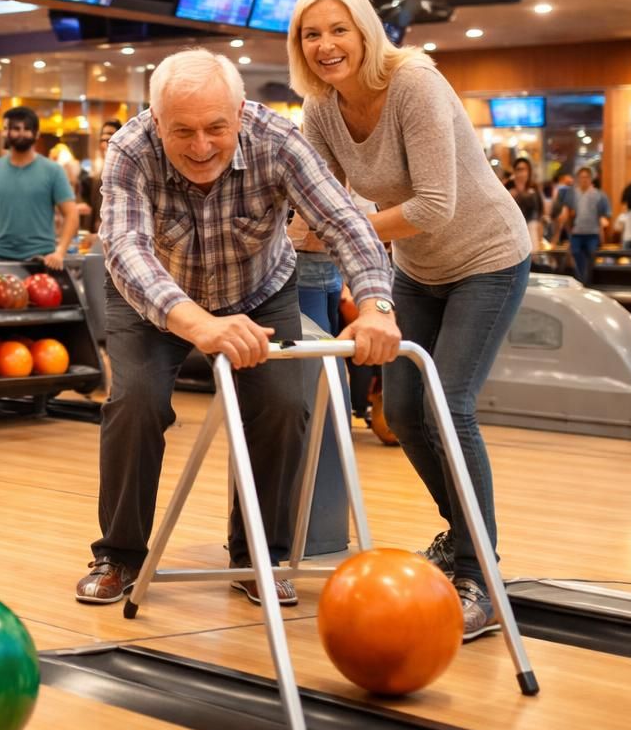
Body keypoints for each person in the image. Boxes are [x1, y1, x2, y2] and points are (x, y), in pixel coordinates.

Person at [77, 49, 397, 609]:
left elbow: (344, 221)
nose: (201, 146)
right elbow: (126, 248)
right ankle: (120, 555)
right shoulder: (131, 147)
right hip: (151, 296)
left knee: (283, 403)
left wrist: (374, 304)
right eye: (183, 131)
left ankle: (256, 557)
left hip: (259, 290)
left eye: (215, 128)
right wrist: (196, 323)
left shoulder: (279, 141)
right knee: (136, 401)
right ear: (156, 121)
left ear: (240, 111)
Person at [290, 0, 531, 639]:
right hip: (415, 270)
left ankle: (480, 574)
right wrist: (290, 238)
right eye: (312, 34)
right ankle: (461, 537)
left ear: (365, 31)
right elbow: (314, 204)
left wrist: (340, 226)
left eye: (339, 29)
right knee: (399, 406)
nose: (326, 45)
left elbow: (434, 207)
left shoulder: (416, 84)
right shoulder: (321, 112)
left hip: (487, 258)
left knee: (447, 406)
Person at [0, 106, 78, 269]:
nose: (21, 133)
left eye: (27, 129)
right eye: (15, 128)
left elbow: (71, 213)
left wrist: (60, 251)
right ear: (6, 132)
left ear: (37, 134)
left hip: (43, 260)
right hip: (0, 259)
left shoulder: (53, 170)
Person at [561, 167, 610, 282]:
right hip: (576, 232)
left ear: (591, 178)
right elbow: (567, 212)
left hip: (592, 232)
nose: (584, 179)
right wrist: (568, 229)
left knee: (591, 257)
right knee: (577, 255)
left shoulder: (599, 195)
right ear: (578, 178)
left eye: (587, 177)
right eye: (582, 177)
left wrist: (602, 231)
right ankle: (581, 280)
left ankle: (589, 281)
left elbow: (605, 214)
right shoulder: (572, 194)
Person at [507, 157, 545, 255]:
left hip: (531, 227)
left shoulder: (534, 187)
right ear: (514, 171)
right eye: (519, 169)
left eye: (524, 169)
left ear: (529, 171)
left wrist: (540, 229)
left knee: (531, 255)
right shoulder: (508, 186)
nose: (521, 172)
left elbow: (539, 209)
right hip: (513, 230)